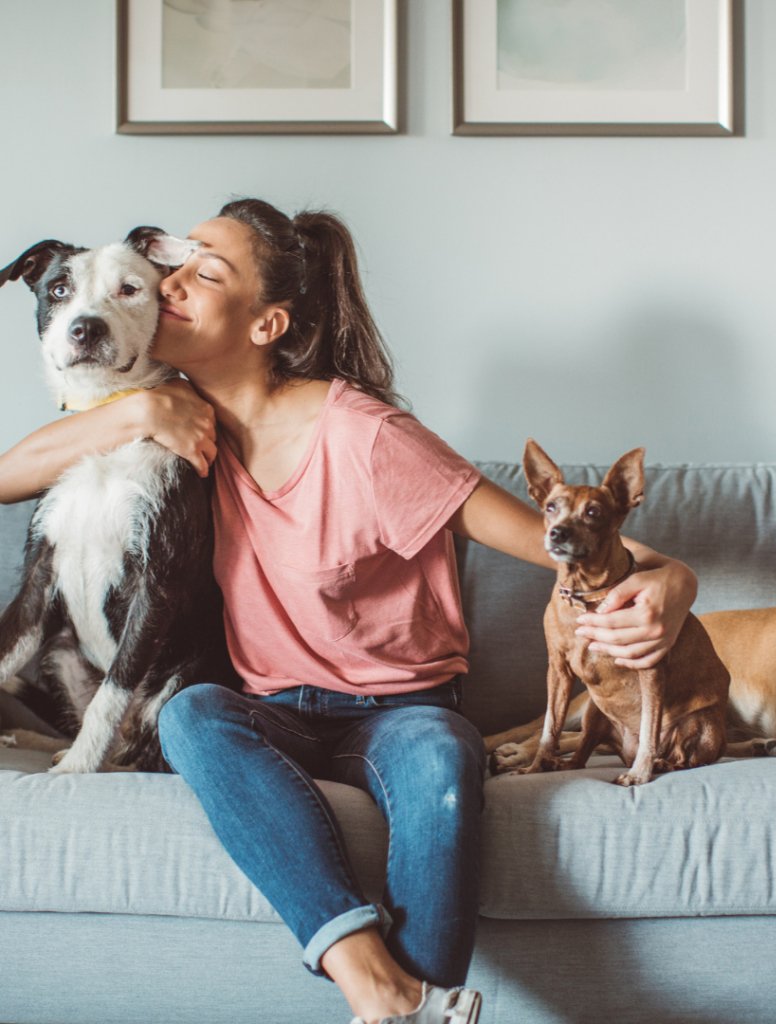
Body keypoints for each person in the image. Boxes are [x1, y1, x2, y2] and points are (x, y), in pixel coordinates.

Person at [0, 199, 697, 1024]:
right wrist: (136, 411)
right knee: (191, 716)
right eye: (176, 267)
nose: (173, 281)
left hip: (399, 711)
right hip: (271, 711)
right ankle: (378, 982)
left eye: (205, 272)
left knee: (444, 757)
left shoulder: (366, 436)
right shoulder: (174, 415)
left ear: (267, 325)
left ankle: (403, 1008)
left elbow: (553, 542)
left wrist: (676, 581)